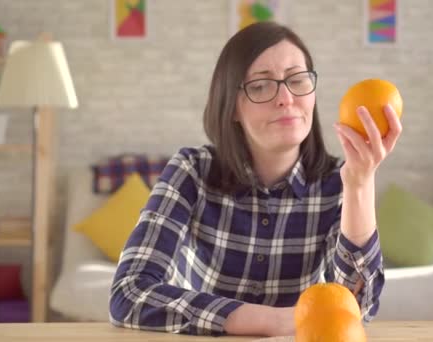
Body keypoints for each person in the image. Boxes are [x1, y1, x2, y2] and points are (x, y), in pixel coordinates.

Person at [109, 21, 401, 337]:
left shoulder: (338, 183)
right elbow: (129, 293)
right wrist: (275, 321)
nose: (286, 98)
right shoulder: (191, 172)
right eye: (261, 85)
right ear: (231, 105)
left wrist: (359, 183)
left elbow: (359, 307)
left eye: (297, 79)